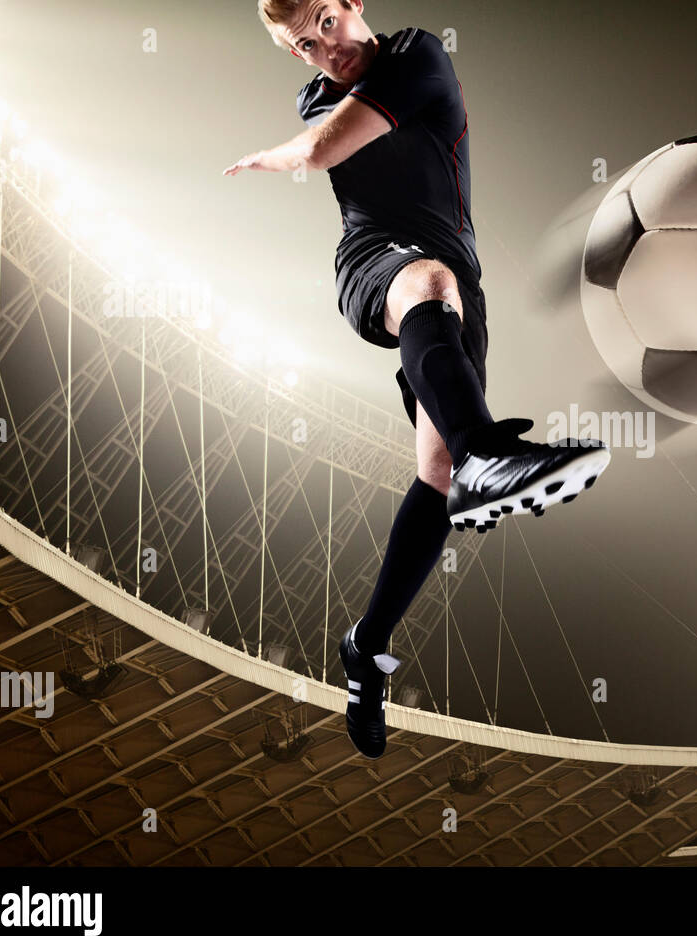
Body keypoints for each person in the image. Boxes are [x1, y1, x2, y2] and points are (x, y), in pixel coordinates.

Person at [224, 0, 609, 758]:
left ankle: (365, 650)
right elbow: (324, 147)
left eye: (327, 24)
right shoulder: (318, 99)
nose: (322, 50)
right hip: (377, 266)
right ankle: (488, 457)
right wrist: (292, 152)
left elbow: (323, 147)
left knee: (436, 474)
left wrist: (289, 154)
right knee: (428, 291)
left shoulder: (419, 57)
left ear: (354, 5)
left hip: (458, 286)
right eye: (302, 45)